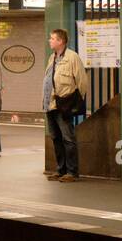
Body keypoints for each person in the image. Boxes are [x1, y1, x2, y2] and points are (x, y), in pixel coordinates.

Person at [42, 29, 88, 183]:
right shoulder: (52, 57)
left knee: (68, 138)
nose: (50, 40)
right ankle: (60, 170)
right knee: (56, 138)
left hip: (64, 104)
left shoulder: (72, 57)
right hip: (50, 104)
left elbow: (82, 82)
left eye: (52, 38)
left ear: (60, 41)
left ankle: (72, 172)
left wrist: (74, 101)